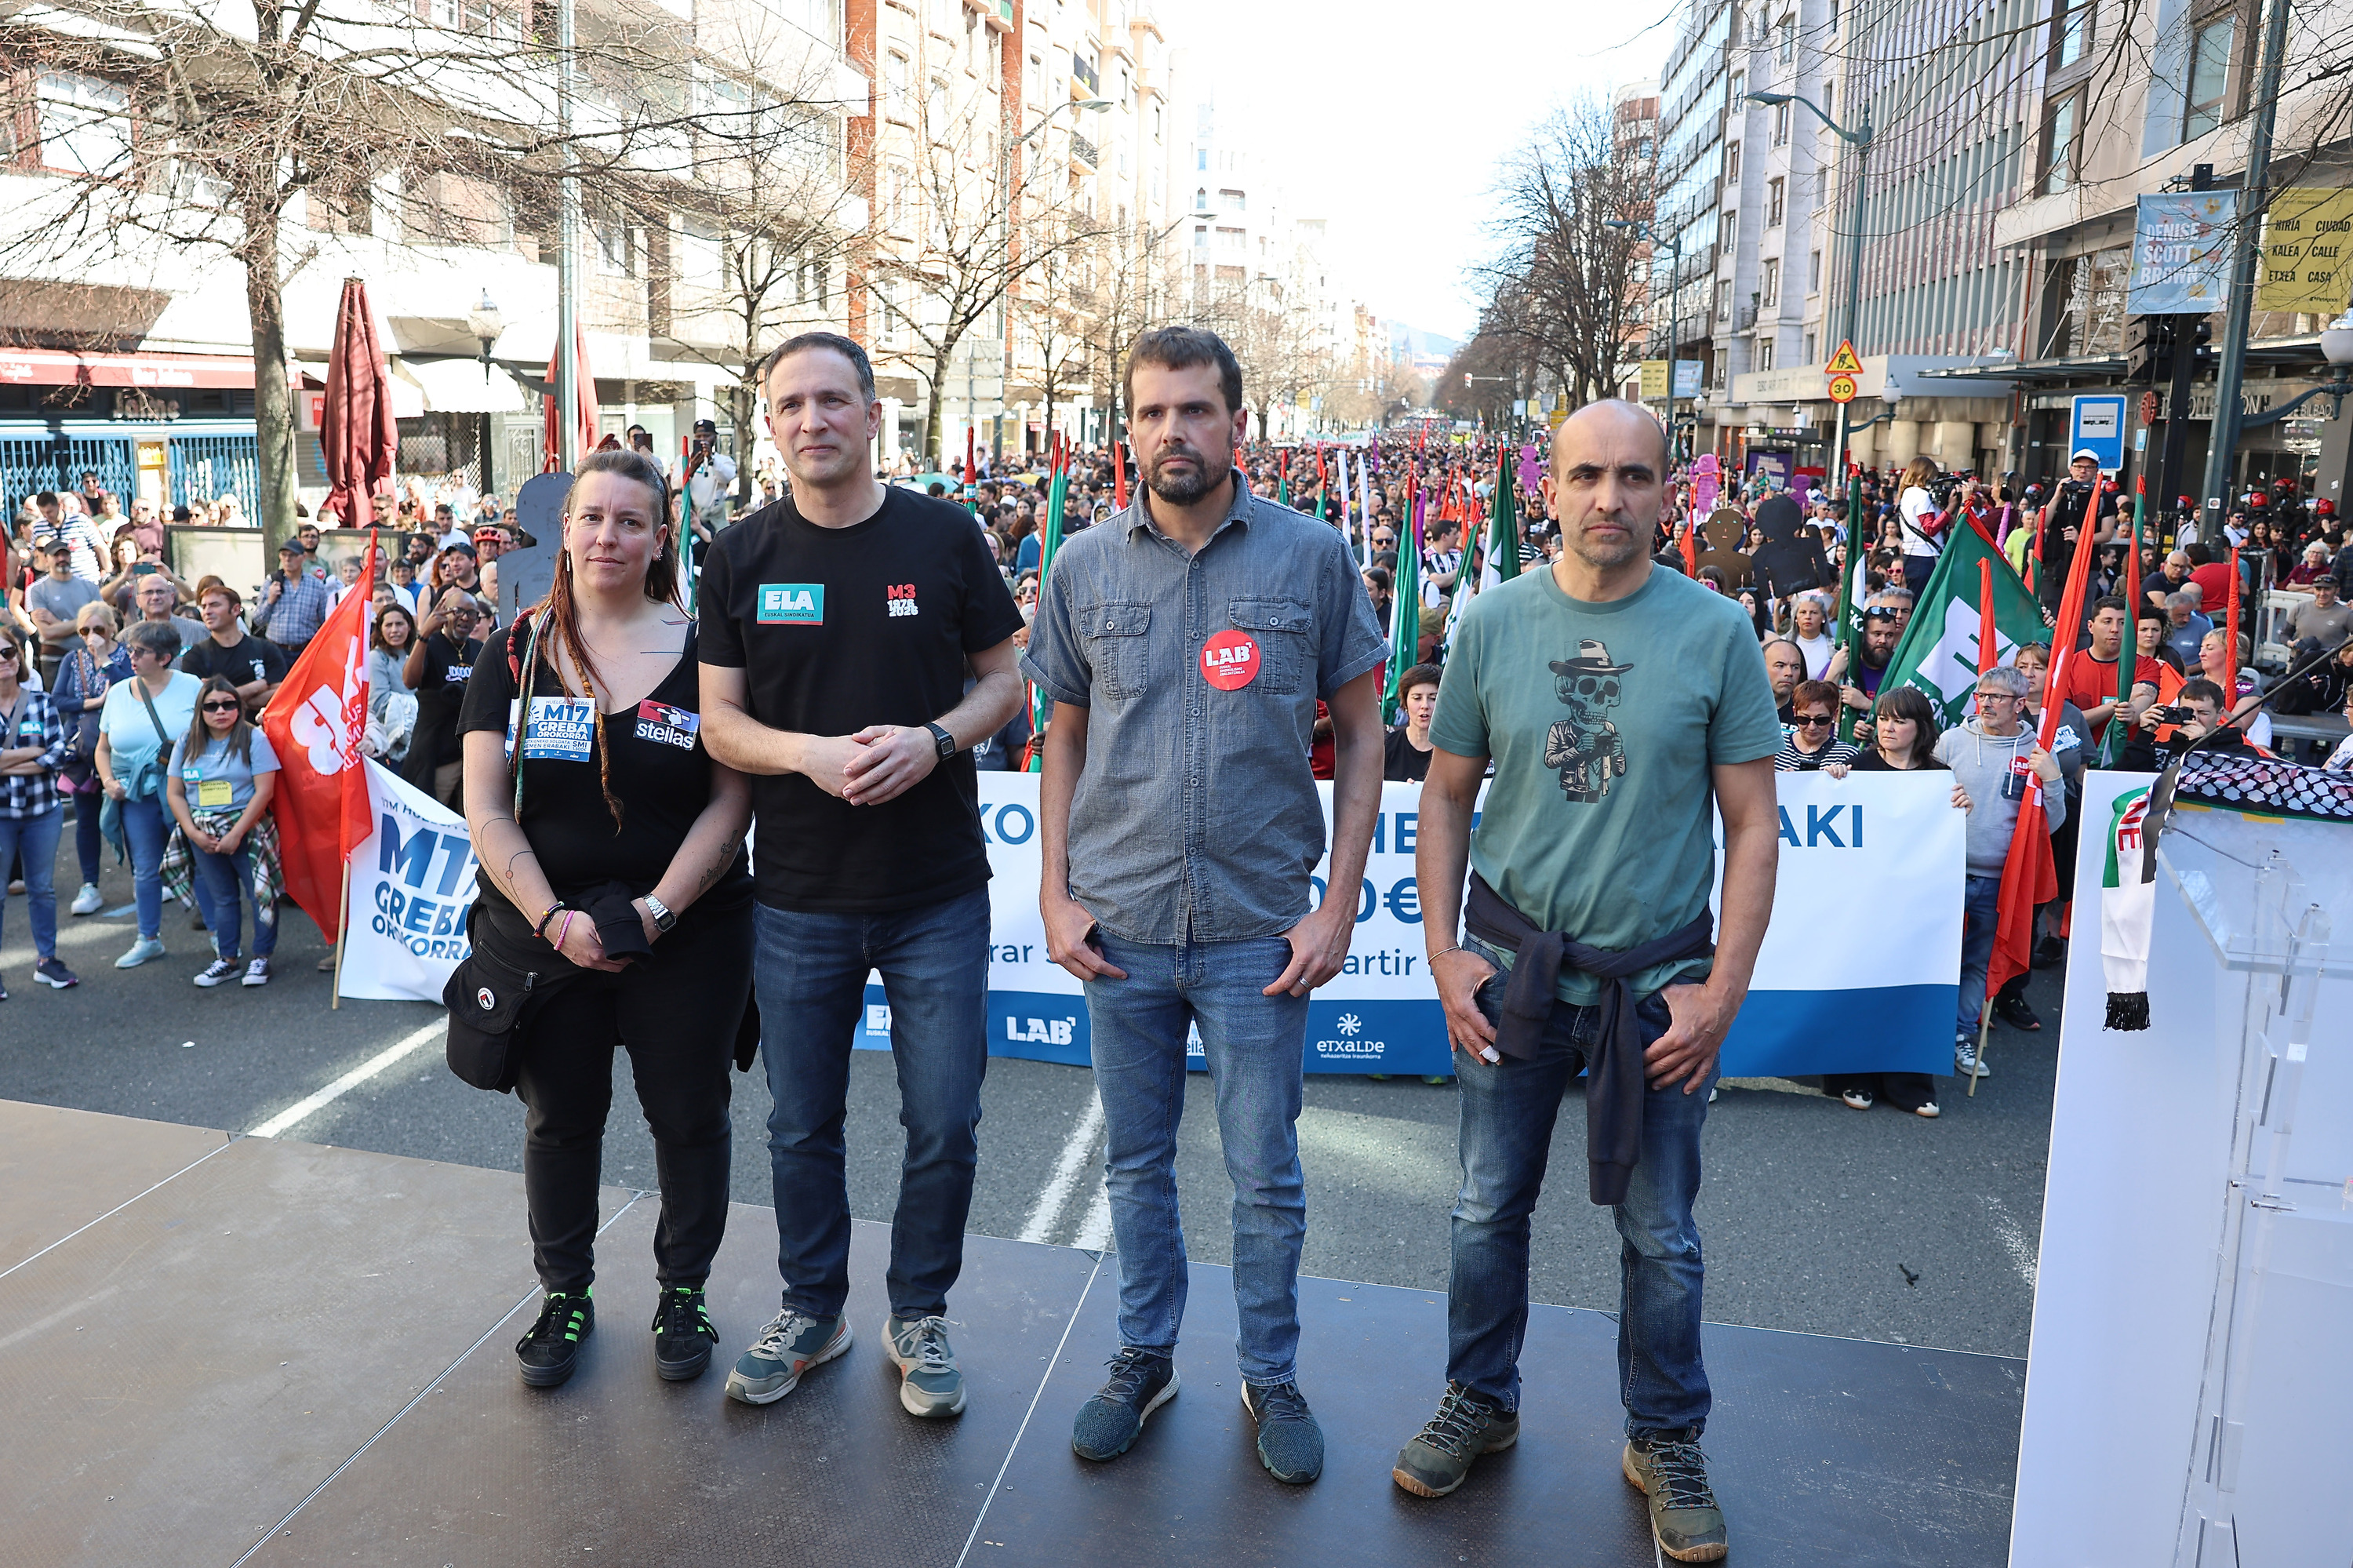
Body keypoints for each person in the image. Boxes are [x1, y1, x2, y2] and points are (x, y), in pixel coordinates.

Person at [1398, 400, 1780, 1565]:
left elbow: (1755, 824)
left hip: (1657, 986)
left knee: (1662, 1233)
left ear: (1672, 490)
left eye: (1633, 475)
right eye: (1585, 475)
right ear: (1548, 487)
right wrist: (1441, 947)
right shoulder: (1494, 624)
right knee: (1481, 1208)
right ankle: (1483, 1394)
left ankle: (1665, 1433)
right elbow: (1448, 794)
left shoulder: (1718, 632)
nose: (1608, 496)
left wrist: (1723, 990)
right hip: (1513, 975)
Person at [1025, 327, 1386, 1486]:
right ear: (1126, 429)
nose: (1172, 431)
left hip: (1256, 931)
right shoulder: (1083, 566)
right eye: (1149, 413)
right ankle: (1144, 1353)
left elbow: (1368, 735)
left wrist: (1336, 903)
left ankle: (1269, 1369)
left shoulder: (1312, 556)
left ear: (1239, 424)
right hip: (1119, 922)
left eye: (1194, 410)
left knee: (1264, 1171)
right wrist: (1054, 892)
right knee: (1136, 1166)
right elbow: (1063, 734)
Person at [698, 332, 1024, 1421]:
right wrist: (806, 753)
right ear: (771, 422)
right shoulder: (739, 553)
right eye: (790, 403)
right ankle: (813, 1305)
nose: (811, 420)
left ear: (874, 414)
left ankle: (919, 1309)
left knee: (944, 1118)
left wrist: (935, 740)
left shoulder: (944, 535)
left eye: (832, 399)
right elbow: (719, 720)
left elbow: (1006, 683)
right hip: (796, 892)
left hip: (936, 892)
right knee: (802, 1122)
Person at [457, 449, 756, 1391]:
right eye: (592, 516)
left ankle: (684, 1292)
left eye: (631, 520)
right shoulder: (514, 650)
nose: (608, 536)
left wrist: (657, 911)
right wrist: (556, 922)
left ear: (662, 534)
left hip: (687, 929)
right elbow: (485, 808)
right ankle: (565, 1294)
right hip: (547, 935)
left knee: (689, 1116)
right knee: (561, 1120)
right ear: (566, 527)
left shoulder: (710, 649)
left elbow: (730, 803)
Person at [1818, 686, 1969, 1116]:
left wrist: (1962, 807)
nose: (1888, 727)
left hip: (1914, 906)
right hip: (1860, 904)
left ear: (1920, 728)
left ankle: (1909, 1081)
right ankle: (1855, 1075)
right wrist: (1828, 785)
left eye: (1899, 720)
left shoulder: (1939, 776)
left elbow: (1944, 837)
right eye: (1883, 718)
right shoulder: (1856, 768)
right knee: (1859, 982)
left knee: (1911, 984)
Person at [1933, 667, 2066, 1082]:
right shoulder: (1952, 742)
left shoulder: (2039, 751)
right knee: (1936, 955)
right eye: (1981, 695)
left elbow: (2053, 824)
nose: (1986, 704)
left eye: (1996, 697)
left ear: (2019, 704)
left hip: (2001, 881)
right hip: (1946, 874)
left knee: (1977, 961)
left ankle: (1960, 1036)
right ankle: (1926, 1032)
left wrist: (2054, 779)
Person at [95, 620, 202, 969]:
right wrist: (108, 781)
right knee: (145, 868)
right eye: (130, 649)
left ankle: (221, 938)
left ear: (165, 657)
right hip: (136, 792)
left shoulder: (191, 687)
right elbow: (102, 749)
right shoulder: (117, 692)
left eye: (139, 651)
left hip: (185, 790)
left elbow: (214, 733)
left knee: (202, 862)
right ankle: (148, 938)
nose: (131, 656)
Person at [164, 676, 281, 988]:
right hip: (203, 831)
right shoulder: (187, 740)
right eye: (212, 706)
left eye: (229, 704)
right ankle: (227, 959)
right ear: (201, 710)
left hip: (248, 827)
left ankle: (261, 958)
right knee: (222, 899)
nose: (221, 711)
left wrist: (237, 833)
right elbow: (174, 792)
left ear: (238, 706)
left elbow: (264, 791)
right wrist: (193, 832)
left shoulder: (253, 738)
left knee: (260, 895)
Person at [0, 628, 77, 995]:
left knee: (42, 889)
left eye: (9, 651)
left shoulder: (41, 700)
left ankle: (47, 961)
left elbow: (59, 754)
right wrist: (34, 754)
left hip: (42, 811)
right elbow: (45, 753)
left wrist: (5, 762)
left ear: (19, 657)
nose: (4, 659)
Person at [52, 603, 129, 917]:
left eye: (99, 629)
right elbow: (57, 698)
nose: (92, 636)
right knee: (86, 819)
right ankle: (90, 885)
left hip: (120, 746)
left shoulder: (126, 654)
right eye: (85, 630)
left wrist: (106, 661)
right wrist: (93, 702)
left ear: (111, 628)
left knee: (129, 812)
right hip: (83, 750)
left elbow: (129, 686)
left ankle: (144, 876)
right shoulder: (72, 660)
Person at [401, 589, 484, 807]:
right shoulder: (430, 643)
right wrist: (424, 634)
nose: (465, 617)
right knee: (435, 810)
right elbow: (409, 681)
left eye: (472, 613)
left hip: (470, 752)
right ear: (445, 614)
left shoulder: (480, 649)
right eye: (458, 611)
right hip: (437, 752)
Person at [2057, 596, 2164, 745]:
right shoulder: (2066, 666)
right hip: (2080, 757)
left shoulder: (2147, 665)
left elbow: (2140, 704)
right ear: (2090, 626)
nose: (2115, 629)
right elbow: (2067, 723)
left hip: (2126, 756)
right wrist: (2121, 701)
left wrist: (2132, 713)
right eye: (2107, 622)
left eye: (2122, 623)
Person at [179, 582, 289, 716]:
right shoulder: (196, 655)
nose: (207, 611)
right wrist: (258, 685)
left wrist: (223, 695)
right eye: (204, 606)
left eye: (215, 605)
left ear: (236, 610)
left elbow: (281, 694)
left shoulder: (265, 649)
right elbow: (201, 701)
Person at [2038, 451, 2105, 617]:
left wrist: (2081, 539)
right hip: (2055, 564)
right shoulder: (2054, 493)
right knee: (2050, 615)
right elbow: (2041, 525)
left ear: (2096, 471)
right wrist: (2057, 497)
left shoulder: (2103, 497)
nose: (2083, 471)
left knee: (2080, 618)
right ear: (2070, 469)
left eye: (2089, 467)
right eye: (2079, 467)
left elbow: (2107, 533)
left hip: (2086, 566)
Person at [251, 539, 332, 656]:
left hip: (305, 650)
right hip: (276, 649)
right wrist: (270, 600)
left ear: (303, 557)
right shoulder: (271, 582)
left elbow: (325, 621)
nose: (288, 559)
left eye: (293, 555)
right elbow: (258, 620)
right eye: (284, 555)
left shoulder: (316, 586)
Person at [1776, 680, 1861, 770]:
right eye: (1804, 719)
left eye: (1821, 720)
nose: (1812, 727)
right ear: (1795, 713)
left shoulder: (1848, 755)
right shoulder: (1776, 749)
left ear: (1834, 715)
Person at [129, 575, 209, 669]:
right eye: (149, 592)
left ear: (172, 598)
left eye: (160, 592)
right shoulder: (126, 637)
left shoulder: (199, 631)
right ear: (138, 601)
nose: (155, 597)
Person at [1894, 457, 1946, 595]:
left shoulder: (1907, 493)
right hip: (1926, 557)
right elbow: (1930, 529)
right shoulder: (1923, 496)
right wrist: (1950, 509)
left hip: (1912, 555)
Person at [1387, 662, 1442, 781]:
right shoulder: (1386, 747)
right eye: (1417, 698)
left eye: (1433, 698)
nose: (1425, 705)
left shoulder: (1454, 749)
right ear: (1405, 703)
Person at [2286, 574, 2350, 657]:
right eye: (2318, 589)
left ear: (2336, 590)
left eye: (2327, 589)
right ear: (2313, 590)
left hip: (2329, 664)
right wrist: (2291, 643)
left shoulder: (2346, 614)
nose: (2322, 593)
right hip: (2299, 662)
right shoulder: (2300, 609)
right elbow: (2285, 634)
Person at [1787, 593, 1834, 678]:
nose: (1808, 617)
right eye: (1803, 612)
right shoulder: (1784, 643)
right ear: (1796, 618)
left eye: (1814, 613)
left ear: (1823, 618)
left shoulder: (1834, 647)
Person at [1762, 637, 1806, 724]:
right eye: (1780, 666)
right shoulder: (1740, 708)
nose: (1789, 673)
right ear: (1761, 667)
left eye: (1795, 667)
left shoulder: (1805, 716)